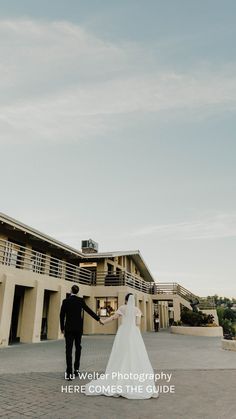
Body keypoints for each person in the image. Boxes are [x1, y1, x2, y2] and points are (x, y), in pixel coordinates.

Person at [85, 293, 158, 399]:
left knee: (120, 353)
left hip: (123, 333)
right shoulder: (137, 310)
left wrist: (103, 322)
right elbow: (138, 324)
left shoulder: (122, 308)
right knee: (135, 353)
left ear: (125, 300)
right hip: (134, 334)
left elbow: (114, 318)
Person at [60, 284, 103, 380]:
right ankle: (76, 370)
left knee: (68, 350)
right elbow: (89, 310)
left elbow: (62, 315)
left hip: (69, 329)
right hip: (78, 329)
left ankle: (69, 373)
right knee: (78, 348)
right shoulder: (80, 301)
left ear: (71, 291)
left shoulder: (65, 301)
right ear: (77, 292)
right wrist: (98, 319)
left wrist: (62, 328)